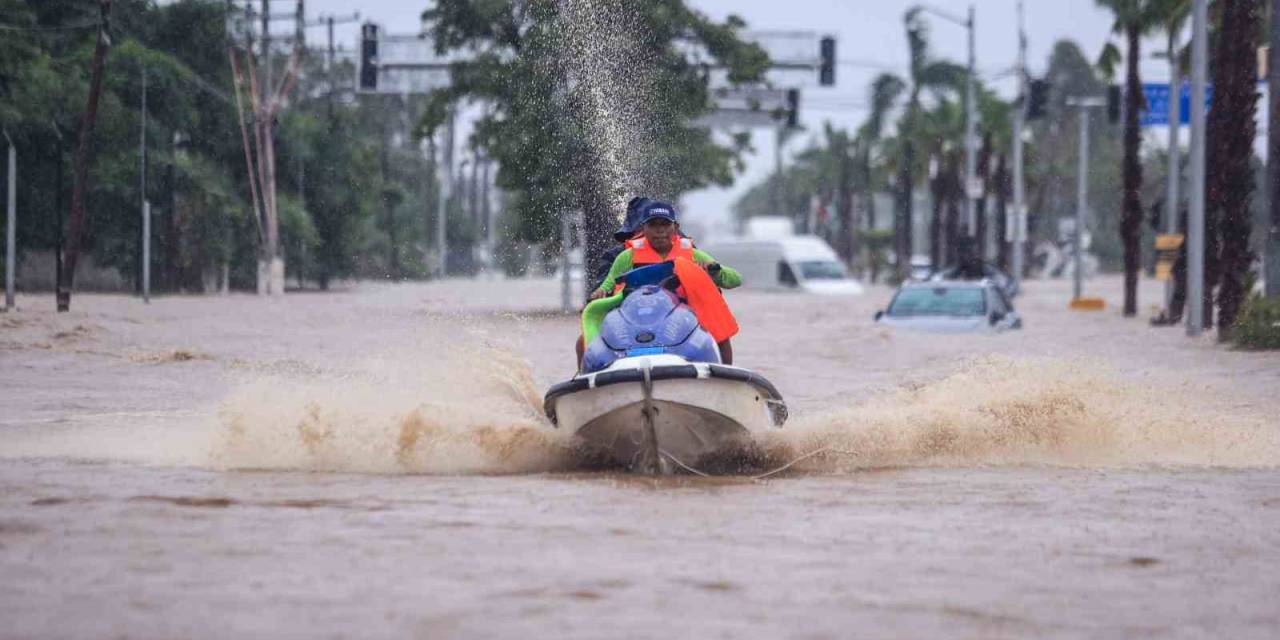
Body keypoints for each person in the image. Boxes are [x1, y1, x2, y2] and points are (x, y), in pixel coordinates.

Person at [583, 199, 742, 364]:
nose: (659, 231)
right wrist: (599, 294)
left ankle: (724, 374)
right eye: (653, 225)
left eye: (665, 225)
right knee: (585, 340)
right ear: (643, 228)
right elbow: (607, 285)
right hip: (638, 315)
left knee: (720, 335)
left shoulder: (693, 254)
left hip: (682, 315)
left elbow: (736, 280)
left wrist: (715, 271)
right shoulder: (626, 257)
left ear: (675, 228)